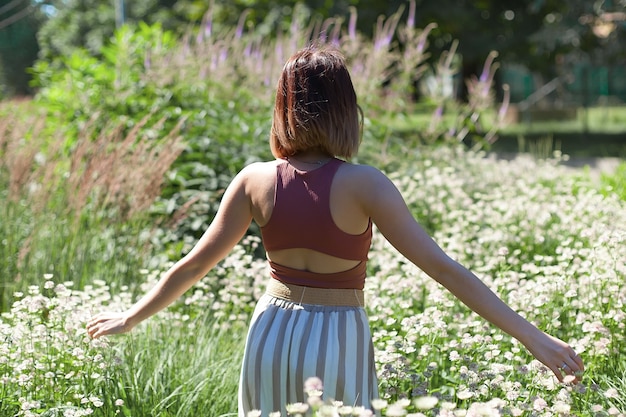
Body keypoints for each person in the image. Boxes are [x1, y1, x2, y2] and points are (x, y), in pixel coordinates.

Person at [86, 45, 584, 416]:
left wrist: (129, 318)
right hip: (336, 335)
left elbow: (194, 265)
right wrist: (533, 338)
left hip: (270, 332)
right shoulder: (364, 184)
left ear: (283, 107)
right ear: (347, 110)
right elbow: (442, 268)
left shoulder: (254, 180)